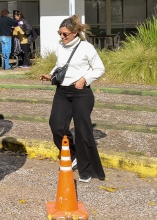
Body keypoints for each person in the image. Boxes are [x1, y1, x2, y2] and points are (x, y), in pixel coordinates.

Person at [39, 15, 106, 183]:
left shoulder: (86, 47)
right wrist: (51, 75)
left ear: (75, 33)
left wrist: (85, 79)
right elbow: (60, 65)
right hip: (62, 91)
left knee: (83, 131)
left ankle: (87, 170)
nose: (62, 37)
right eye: (60, 33)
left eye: (65, 34)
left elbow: (99, 68)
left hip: (81, 93)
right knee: (56, 125)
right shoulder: (61, 46)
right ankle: (73, 153)